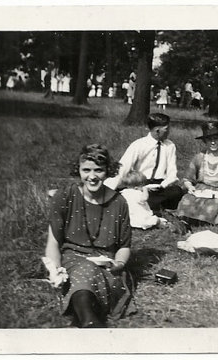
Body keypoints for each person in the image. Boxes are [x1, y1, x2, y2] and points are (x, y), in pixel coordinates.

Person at [44, 144, 134, 328]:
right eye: (86, 170)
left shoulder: (119, 202)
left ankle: (85, 319)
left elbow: (124, 245)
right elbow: (53, 242)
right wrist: (56, 270)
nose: (92, 177)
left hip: (107, 264)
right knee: (83, 273)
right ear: (78, 170)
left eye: (98, 170)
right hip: (72, 258)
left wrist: (120, 264)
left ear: (108, 171)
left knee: (95, 277)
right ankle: (90, 321)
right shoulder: (65, 196)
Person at [104, 113, 185, 215]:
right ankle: (150, 205)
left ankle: (148, 205)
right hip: (140, 184)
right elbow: (123, 168)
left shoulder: (170, 146)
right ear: (157, 130)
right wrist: (108, 190)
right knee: (135, 195)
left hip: (160, 186)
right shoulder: (138, 145)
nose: (169, 131)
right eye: (166, 128)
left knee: (177, 192)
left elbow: (172, 172)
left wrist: (162, 185)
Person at [176, 121, 218, 225]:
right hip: (200, 191)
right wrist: (191, 188)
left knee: (216, 205)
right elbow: (187, 179)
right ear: (205, 141)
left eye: (216, 139)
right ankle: (188, 221)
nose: (213, 142)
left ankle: (203, 221)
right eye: (209, 139)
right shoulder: (199, 157)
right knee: (186, 200)